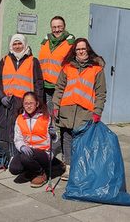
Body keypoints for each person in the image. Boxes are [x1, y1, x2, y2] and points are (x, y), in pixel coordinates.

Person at [52, 38, 106, 181]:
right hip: (66, 111)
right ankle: (68, 168)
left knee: (82, 142)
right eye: (78, 49)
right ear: (74, 51)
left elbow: (101, 94)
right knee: (67, 140)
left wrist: (97, 112)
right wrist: (56, 106)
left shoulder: (97, 69)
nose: (81, 51)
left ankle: (81, 168)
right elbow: (59, 88)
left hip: (85, 113)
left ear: (88, 49)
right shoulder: (67, 67)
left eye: (83, 48)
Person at [0, 34, 44, 157]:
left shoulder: (33, 61)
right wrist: (1, 97)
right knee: (5, 129)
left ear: (25, 44)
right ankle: (6, 157)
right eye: (15, 44)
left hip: (24, 103)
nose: (17, 46)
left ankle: (20, 156)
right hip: (7, 102)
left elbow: (38, 83)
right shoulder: (4, 60)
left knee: (23, 130)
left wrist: (37, 103)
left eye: (20, 43)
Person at [9, 92, 57, 188]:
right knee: (14, 168)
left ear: (37, 104)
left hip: (43, 153)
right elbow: (18, 139)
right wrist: (22, 147)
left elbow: (54, 140)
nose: (28, 106)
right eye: (26, 103)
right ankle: (32, 171)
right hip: (28, 151)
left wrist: (53, 135)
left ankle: (41, 173)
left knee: (25, 158)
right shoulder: (19, 119)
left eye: (31, 103)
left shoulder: (45, 118)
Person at [38, 16, 75, 114]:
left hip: (60, 88)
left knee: (58, 115)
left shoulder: (70, 44)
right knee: (46, 115)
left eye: (59, 27)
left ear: (64, 27)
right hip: (44, 86)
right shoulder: (45, 42)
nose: (57, 30)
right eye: (54, 27)